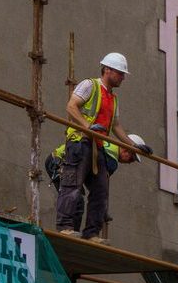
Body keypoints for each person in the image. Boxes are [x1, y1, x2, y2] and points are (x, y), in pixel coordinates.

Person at [55, 52, 140, 242]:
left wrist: (134, 146)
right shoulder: (90, 85)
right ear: (107, 70)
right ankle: (65, 226)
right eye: (120, 73)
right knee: (72, 186)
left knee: (101, 191)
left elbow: (116, 125)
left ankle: (91, 232)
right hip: (80, 141)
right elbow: (71, 106)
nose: (123, 77)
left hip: (97, 146)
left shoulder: (113, 98)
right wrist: (87, 127)